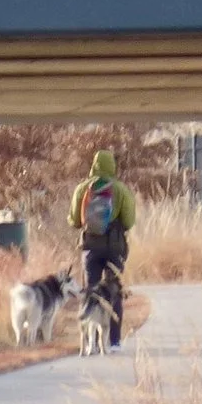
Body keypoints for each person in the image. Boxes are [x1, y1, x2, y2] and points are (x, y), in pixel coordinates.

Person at [66, 147, 136, 349]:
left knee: (91, 292)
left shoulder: (83, 189)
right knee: (113, 291)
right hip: (115, 248)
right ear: (112, 165)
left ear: (93, 165)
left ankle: (90, 342)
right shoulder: (121, 190)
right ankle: (113, 341)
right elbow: (129, 221)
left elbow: (74, 221)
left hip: (91, 247)